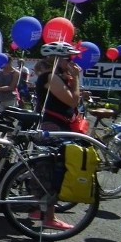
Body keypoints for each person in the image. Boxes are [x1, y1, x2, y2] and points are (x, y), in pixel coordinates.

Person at [34, 42, 82, 230]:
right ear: (57, 58)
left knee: (44, 168)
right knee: (55, 170)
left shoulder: (53, 76)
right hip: (52, 126)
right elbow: (73, 100)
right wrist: (77, 79)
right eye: (68, 58)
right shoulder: (51, 77)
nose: (71, 62)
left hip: (53, 124)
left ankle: (38, 209)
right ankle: (49, 217)